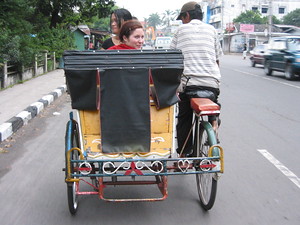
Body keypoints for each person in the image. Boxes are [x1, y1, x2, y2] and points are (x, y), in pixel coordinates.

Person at [170, 1, 223, 157]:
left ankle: (184, 154)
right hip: (212, 84)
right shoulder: (212, 30)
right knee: (213, 103)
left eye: (182, 18)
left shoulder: (181, 30)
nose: (182, 22)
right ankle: (214, 122)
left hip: (189, 85)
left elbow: (173, 59)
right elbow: (217, 60)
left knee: (184, 117)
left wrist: (174, 85)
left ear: (187, 16)